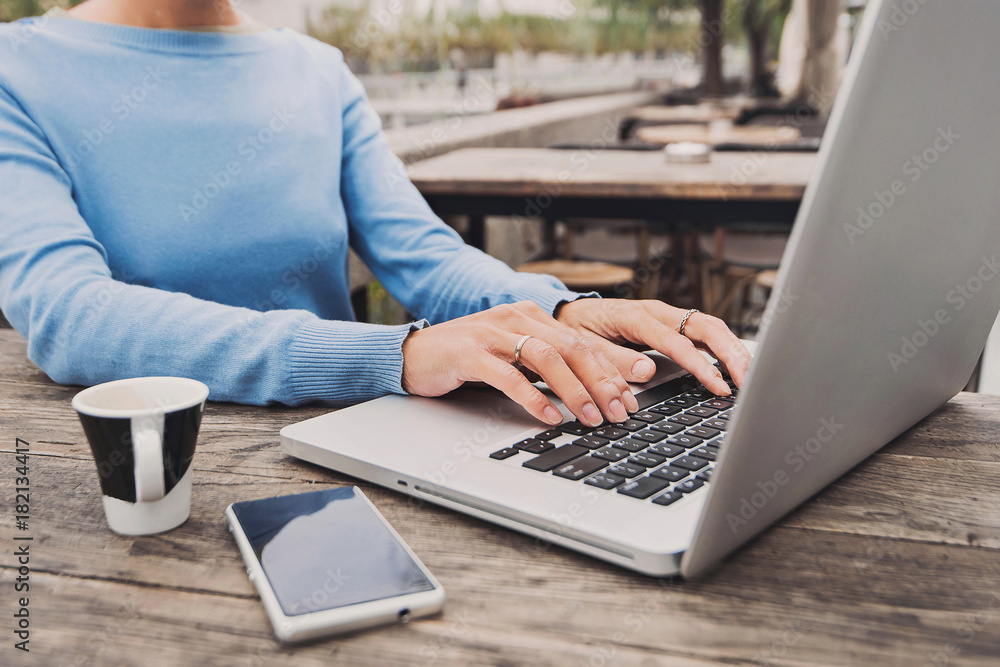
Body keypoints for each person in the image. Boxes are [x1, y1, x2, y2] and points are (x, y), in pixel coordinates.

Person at [0, 0, 750, 429]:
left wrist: (559, 311)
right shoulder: (17, 71)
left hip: (355, 441)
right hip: (149, 481)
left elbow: (423, 255)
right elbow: (70, 315)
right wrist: (394, 354)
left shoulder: (316, 70)